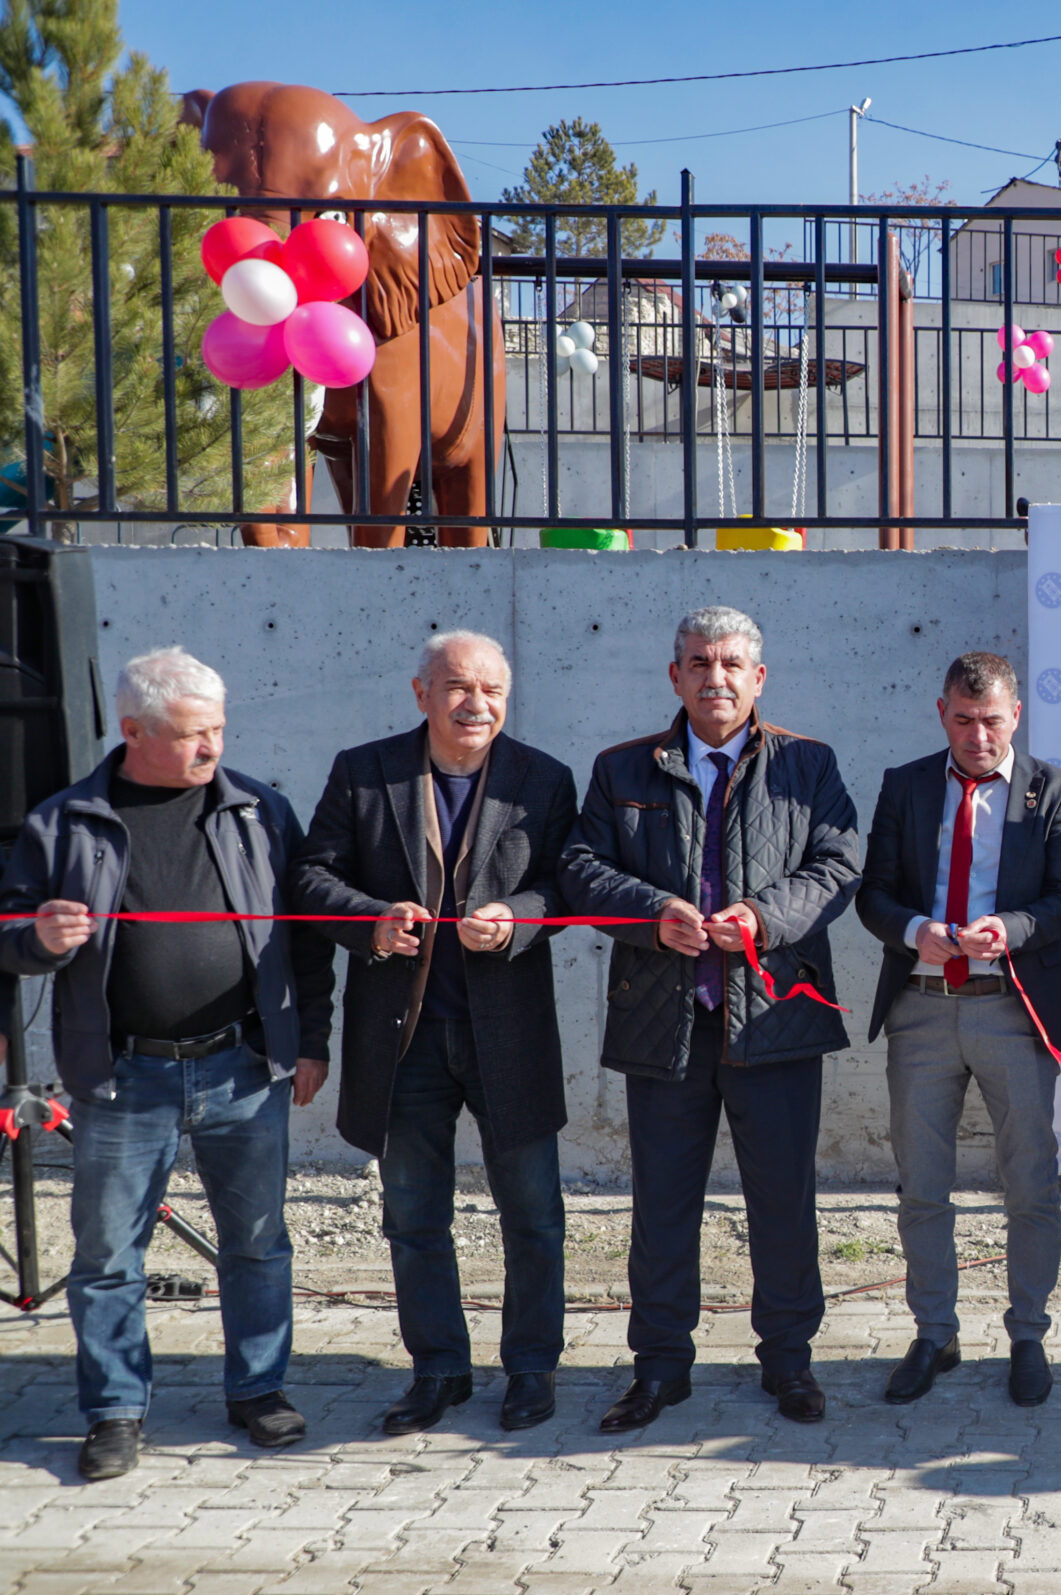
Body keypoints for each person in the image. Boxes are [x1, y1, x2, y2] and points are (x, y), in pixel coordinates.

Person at [0, 648, 334, 1481]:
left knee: (257, 1242)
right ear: (134, 729)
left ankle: (258, 1390)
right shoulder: (65, 821)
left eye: (218, 730)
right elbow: (8, 932)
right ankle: (114, 1409)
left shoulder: (258, 809)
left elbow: (305, 939)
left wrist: (311, 1039)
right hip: (122, 1076)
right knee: (108, 1251)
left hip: (241, 1066)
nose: (210, 748)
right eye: (191, 735)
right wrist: (36, 939)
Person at [558, 606, 861, 1432]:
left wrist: (763, 916)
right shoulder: (623, 769)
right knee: (661, 1203)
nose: (715, 677)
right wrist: (653, 910)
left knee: (783, 1200)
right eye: (698, 662)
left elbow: (839, 864)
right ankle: (659, 1369)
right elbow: (581, 866)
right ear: (675, 675)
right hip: (667, 1022)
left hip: (776, 1023)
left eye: (731, 664)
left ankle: (790, 1364)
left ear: (758, 678)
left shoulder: (808, 764)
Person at [290, 630, 580, 1437]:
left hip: (509, 1032)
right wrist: (371, 922)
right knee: (414, 1216)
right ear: (421, 693)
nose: (475, 703)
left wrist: (519, 917)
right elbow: (311, 878)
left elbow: (570, 881)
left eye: (491, 689)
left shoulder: (544, 779)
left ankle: (530, 1367)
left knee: (535, 1215)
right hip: (402, 1037)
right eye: (457, 686)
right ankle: (440, 1369)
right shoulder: (365, 770)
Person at [855, 652, 1061, 1408]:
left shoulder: (1056, 791)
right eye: (963, 720)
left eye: (992, 720)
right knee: (922, 1181)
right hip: (921, 1005)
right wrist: (915, 927)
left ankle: (1028, 1333)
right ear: (941, 712)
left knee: (1030, 1179)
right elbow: (872, 894)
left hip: (1013, 1007)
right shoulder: (906, 785)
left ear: (1016, 714)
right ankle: (935, 1333)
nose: (978, 735)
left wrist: (1012, 928)